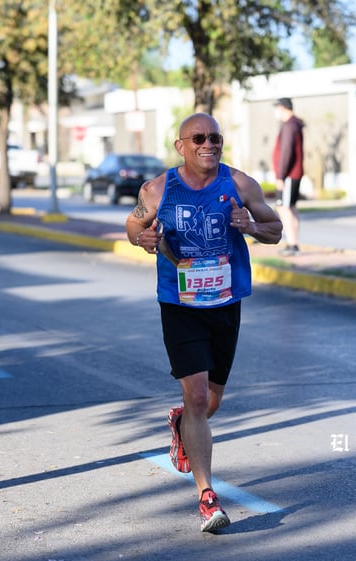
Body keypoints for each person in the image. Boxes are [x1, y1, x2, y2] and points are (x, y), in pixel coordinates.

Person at [125, 113, 282, 533]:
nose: (208, 144)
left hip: (226, 302)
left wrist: (250, 225)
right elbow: (134, 225)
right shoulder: (158, 189)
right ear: (181, 146)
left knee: (210, 404)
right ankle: (207, 496)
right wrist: (143, 239)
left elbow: (276, 229)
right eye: (198, 138)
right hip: (179, 303)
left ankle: (180, 424)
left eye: (215, 137)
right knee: (196, 399)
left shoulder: (241, 184)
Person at [272, 97, 305, 256]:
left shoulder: (289, 126)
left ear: (284, 108)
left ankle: (292, 244)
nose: (276, 112)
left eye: (277, 108)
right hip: (293, 174)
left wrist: (280, 175)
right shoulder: (293, 125)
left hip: (289, 175)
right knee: (290, 207)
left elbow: (286, 151)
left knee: (283, 207)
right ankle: (294, 243)